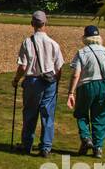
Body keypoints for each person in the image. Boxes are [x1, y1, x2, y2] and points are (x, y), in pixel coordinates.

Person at [12, 11, 65, 157]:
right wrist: (56, 81)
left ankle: (26, 144)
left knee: (30, 114)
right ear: (45, 23)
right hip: (49, 82)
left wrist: (16, 80)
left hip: (32, 81)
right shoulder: (54, 44)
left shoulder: (27, 42)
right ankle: (45, 147)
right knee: (47, 115)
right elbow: (59, 68)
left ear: (32, 24)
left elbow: (22, 67)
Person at [66, 25, 105, 158]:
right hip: (102, 84)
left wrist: (71, 92)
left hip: (86, 86)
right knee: (100, 116)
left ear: (85, 38)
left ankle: (86, 138)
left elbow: (76, 74)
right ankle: (98, 148)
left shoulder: (82, 52)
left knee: (81, 113)